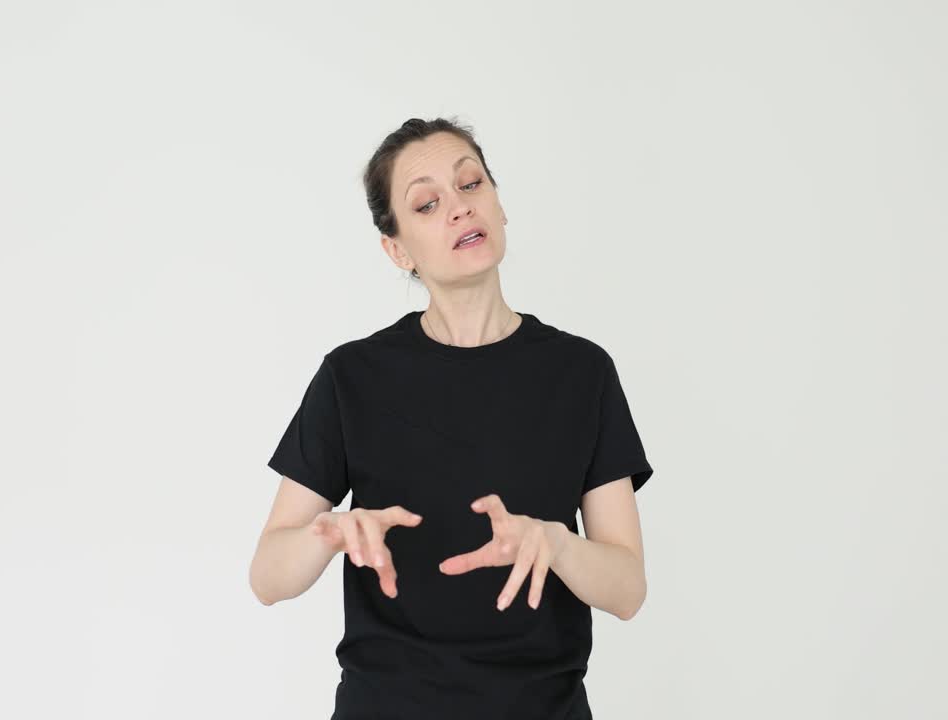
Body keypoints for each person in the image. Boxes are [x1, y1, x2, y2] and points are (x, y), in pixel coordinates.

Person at [249, 117, 655, 720]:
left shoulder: (583, 373)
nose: (461, 209)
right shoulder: (351, 377)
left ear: (499, 203)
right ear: (397, 249)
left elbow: (627, 589)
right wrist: (328, 532)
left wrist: (557, 544)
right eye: (428, 203)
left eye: (471, 186)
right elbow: (267, 577)